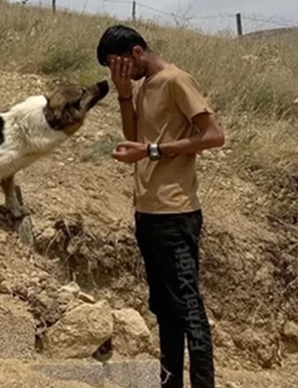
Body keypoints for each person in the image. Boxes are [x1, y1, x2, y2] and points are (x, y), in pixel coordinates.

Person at [96, 24, 225, 388]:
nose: (117, 72)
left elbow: (214, 135)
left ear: (136, 53)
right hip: (149, 214)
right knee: (165, 310)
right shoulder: (143, 88)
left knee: (189, 309)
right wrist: (124, 95)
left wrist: (154, 151)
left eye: (118, 64)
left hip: (177, 213)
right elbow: (134, 139)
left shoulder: (175, 80)